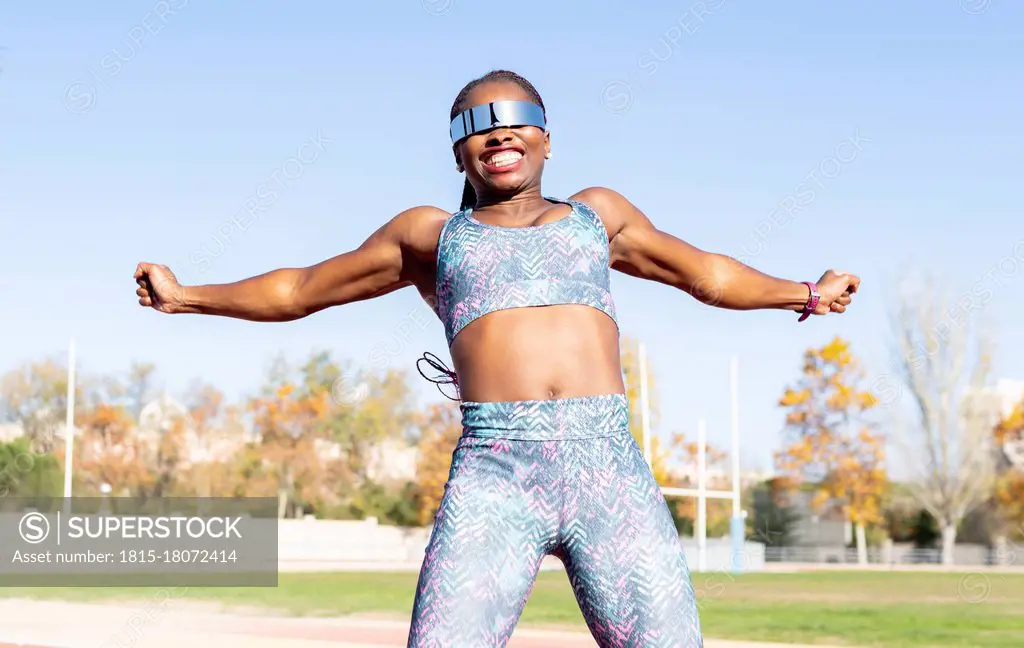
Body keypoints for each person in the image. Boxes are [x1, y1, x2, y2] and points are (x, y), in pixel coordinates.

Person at [134, 69, 859, 648]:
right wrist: (186, 296)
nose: (497, 130)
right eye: (475, 123)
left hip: (606, 466)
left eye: (515, 115)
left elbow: (707, 274)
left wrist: (804, 293)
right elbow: (299, 289)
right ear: (457, 151)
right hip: (495, 472)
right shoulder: (428, 235)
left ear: (547, 138)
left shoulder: (597, 215)